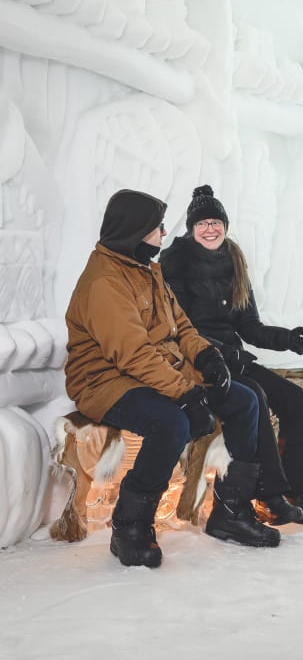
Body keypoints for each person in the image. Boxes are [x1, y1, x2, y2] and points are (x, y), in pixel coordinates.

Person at [64, 189, 282, 569]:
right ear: (136, 231)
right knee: (171, 422)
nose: (165, 233)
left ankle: (230, 512)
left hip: (154, 369)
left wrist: (206, 356)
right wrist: (187, 395)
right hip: (105, 381)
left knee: (244, 400)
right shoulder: (104, 282)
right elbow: (132, 353)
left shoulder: (148, 268)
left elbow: (181, 326)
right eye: (157, 228)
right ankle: (129, 526)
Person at [160, 185, 303, 526]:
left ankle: (295, 489)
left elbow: (249, 326)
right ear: (191, 229)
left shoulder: (232, 260)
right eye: (202, 223)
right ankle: (268, 494)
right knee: (257, 397)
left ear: (225, 225)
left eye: (215, 222)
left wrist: (287, 338)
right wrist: (225, 356)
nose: (210, 229)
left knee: (295, 399)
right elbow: (178, 330)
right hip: (201, 362)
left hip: (235, 357)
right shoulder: (175, 264)